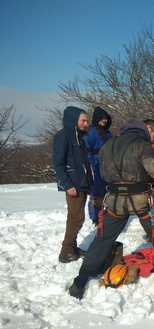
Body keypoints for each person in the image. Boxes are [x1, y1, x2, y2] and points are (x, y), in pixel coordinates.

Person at [69, 119, 154, 299]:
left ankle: (81, 279)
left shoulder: (108, 145)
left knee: (102, 238)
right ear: (143, 131)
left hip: (115, 199)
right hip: (142, 198)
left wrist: (98, 195)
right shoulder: (142, 145)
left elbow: (101, 173)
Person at [52, 106, 93, 263]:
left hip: (81, 184)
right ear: (73, 120)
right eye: (83, 120)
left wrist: (88, 183)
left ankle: (72, 247)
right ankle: (66, 251)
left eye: (86, 120)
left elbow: (83, 164)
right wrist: (67, 185)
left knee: (74, 218)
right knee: (77, 218)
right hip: (73, 185)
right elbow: (58, 163)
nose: (86, 123)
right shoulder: (63, 136)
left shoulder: (79, 136)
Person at [83, 106, 113, 225]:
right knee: (96, 194)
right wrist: (91, 166)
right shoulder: (90, 132)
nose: (104, 120)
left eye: (106, 118)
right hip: (96, 166)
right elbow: (87, 150)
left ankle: (107, 213)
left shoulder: (108, 133)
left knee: (107, 192)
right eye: (102, 118)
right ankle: (95, 217)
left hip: (108, 167)